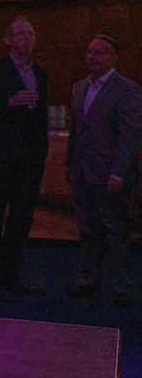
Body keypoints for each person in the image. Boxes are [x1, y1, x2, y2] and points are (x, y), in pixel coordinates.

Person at [66, 35, 141, 305]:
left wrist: (119, 171)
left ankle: (123, 284)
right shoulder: (79, 88)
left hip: (111, 174)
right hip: (83, 172)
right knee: (87, 229)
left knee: (116, 230)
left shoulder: (126, 89)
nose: (91, 57)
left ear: (113, 57)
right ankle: (90, 278)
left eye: (99, 53)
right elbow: (76, 132)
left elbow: (130, 135)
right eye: (89, 52)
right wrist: (70, 165)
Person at [0, 18, 49, 300]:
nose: (27, 37)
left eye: (31, 32)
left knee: (22, 218)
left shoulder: (40, 72)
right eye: (21, 33)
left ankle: (12, 277)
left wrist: (42, 150)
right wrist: (10, 102)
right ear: (7, 39)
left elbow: (41, 113)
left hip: (30, 157)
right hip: (0, 154)